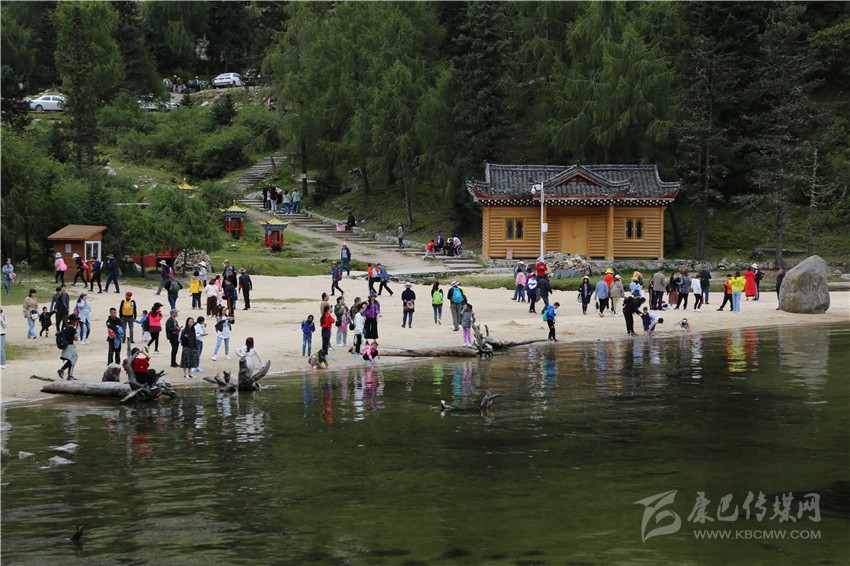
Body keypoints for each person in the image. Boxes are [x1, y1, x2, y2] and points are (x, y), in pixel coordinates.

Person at [57, 314, 80, 380]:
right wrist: (75, 332)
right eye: (76, 321)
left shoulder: (66, 328)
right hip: (70, 346)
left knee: (71, 360)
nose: (77, 322)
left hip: (66, 346)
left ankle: (62, 370)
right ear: (73, 321)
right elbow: (76, 338)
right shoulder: (72, 329)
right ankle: (70, 375)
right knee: (73, 359)